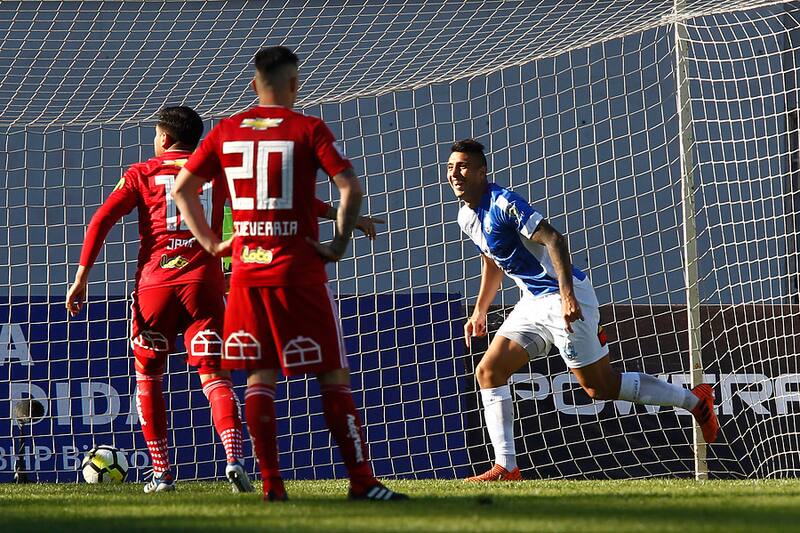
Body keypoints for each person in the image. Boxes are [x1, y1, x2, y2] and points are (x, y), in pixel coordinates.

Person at [172, 46, 407, 502]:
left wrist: (211, 243)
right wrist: (337, 244)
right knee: (332, 375)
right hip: (299, 271)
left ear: (254, 84)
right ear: (294, 84)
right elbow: (350, 188)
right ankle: (361, 481)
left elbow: (184, 189)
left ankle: (272, 486)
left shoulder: (226, 130)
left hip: (246, 274)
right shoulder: (307, 129)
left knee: (260, 377)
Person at [447, 138, 719, 481]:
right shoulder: (466, 217)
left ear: (482, 172)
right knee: (489, 371)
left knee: (600, 387)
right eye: (451, 168)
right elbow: (493, 257)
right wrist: (480, 310)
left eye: (463, 166)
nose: (455, 174)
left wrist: (567, 296)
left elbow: (555, 239)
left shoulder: (504, 202)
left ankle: (695, 401)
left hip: (565, 297)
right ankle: (507, 467)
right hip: (531, 303)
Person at [66, 106, 252, 494]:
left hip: (156, 287)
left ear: (164, 139)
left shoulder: (142, 173)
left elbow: (100, 220)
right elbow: (239, 220)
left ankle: (162, 473)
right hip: (205, 284)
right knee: (215, 377)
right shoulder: (216, 172)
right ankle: (234, 459)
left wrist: (82, 276)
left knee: (149, 376)